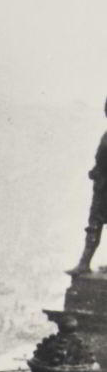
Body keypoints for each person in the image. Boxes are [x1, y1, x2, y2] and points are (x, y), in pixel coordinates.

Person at [70, 96, 107, 274]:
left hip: (103, 190)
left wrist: (97, 172)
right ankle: (84, 262)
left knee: (94, 225)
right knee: (95, 225)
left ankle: (84, 263)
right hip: (102, 186)